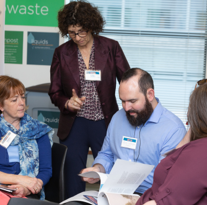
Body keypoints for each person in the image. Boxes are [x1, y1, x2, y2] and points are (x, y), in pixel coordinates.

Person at [48, 1, 130, 198]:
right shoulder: (62, 53)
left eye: (81, 31)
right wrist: (67, 102)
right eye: (72, 33)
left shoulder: (111, 48)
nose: (77, 37)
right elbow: (55, 91)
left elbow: (127, 81)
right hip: (74, 124)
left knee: (107, 177)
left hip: (105, 121)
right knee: (73, 179)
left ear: (91, 25)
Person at [136, 81, 207, 205]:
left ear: (193, 113)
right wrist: (193, 126)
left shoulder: (204, 152)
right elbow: (177, 159)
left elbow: (166, 202)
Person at [81, 68, 186, 195]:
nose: (126, 107)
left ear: (150, 95)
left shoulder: (173, 129)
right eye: (123, 101)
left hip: (151, 197)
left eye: (132, 101)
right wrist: (98, 169)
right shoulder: (117, 118)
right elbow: (107, 154)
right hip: (114, 193)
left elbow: (167, 179)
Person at [0, 76, 53, 200]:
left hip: (29, 192)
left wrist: (26, 189)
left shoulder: (38, 130)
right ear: (0, 105)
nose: (21, 103)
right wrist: (21, 180)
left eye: (22, 97)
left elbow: (46, 170)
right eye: (14, 100)